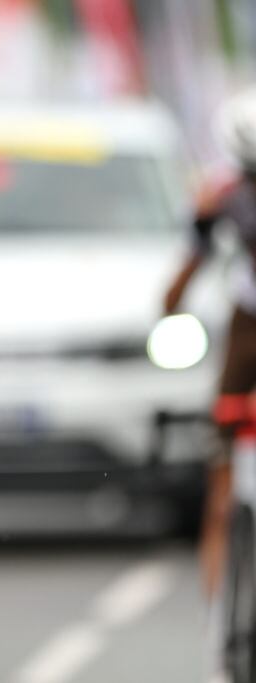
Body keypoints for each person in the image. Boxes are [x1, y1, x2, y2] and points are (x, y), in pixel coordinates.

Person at [162, 88, 256, 665]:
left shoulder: (222, 195)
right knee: (221, 472)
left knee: (220, 475)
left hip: (244, 333)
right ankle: (221, 612)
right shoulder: (219, 197)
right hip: (245, 336)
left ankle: (217, 613)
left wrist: (168, 303)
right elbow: (184, 272)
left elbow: (184, 273)